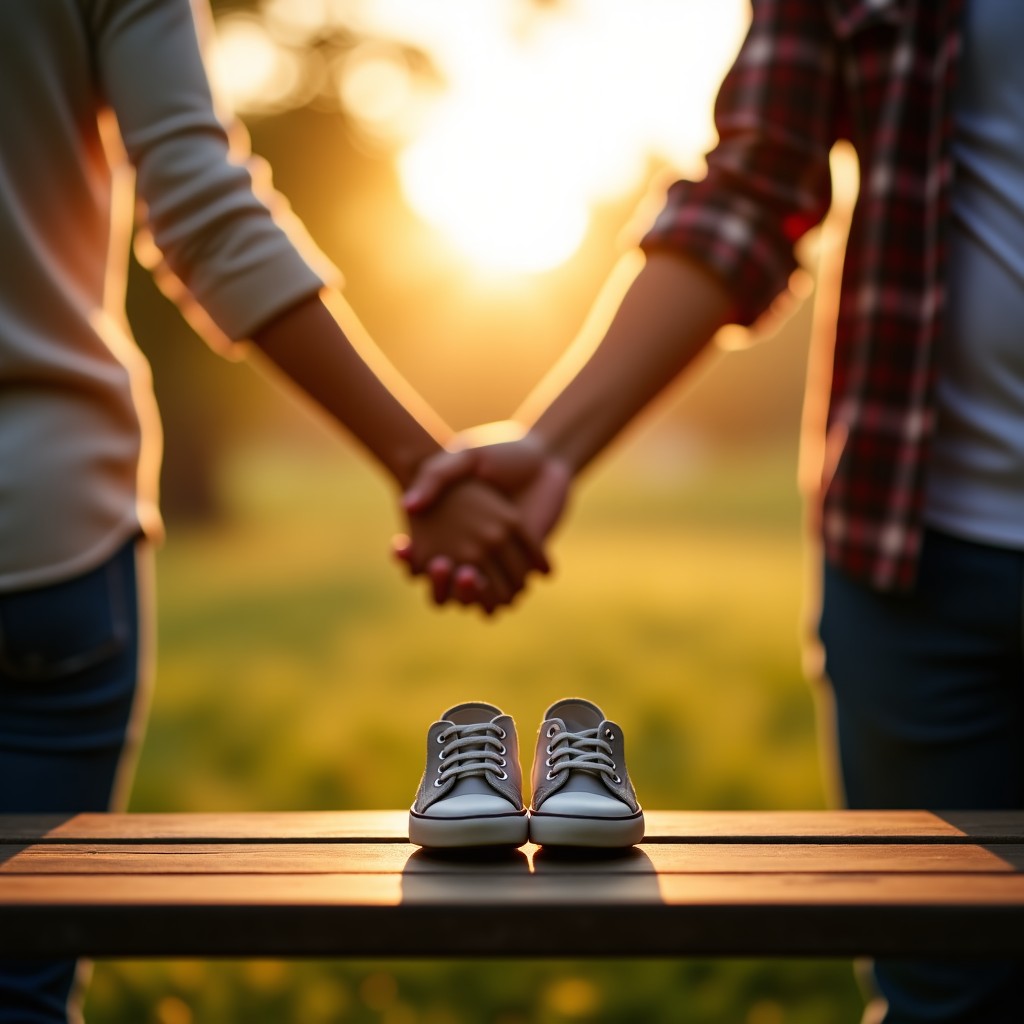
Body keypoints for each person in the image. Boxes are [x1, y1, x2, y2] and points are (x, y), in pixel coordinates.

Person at [399, 1, 1024, 1020]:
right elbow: (756, 189)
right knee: (941, 987)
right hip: (911, 542)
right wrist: (553, 443)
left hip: (912, 550)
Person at [0, 1, 548, 1020]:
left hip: (52, 534)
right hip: (46, 530)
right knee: (15, 983)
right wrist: (417, 463)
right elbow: (203, 213)